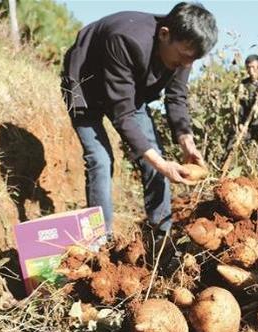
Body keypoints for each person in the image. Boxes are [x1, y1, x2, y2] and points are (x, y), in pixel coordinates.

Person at [60, 2, 217, 241]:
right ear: (164, 34)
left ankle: (161, 237)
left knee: (154, 158)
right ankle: (101, 241)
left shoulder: (185, 50)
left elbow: (176, 96)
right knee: (100, 161)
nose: (186, 65)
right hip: (87, 87)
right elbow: (122, 115)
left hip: (128, 92)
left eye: (192, 60)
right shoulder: (124, 38)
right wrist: (162, 164)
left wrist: (188, 143)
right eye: (184, 57)